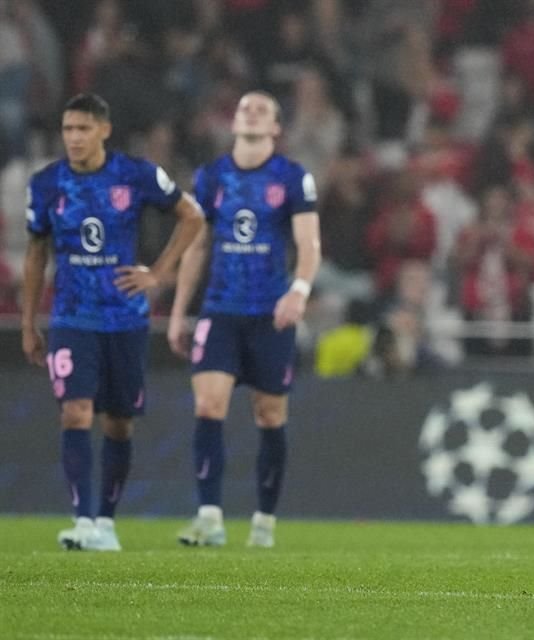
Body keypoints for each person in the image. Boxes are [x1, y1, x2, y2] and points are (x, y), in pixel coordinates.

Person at [21, 92, 203, 550]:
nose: (74, 138)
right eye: (68, 130)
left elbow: (192, 216)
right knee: (76, 411)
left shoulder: (135, 174)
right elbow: (36, 251)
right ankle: (82, 521)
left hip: (125, 317)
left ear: (104, 129)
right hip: (72, 316)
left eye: (83, 129)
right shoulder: (47, 183)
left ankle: (105, 522)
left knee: (119, 423)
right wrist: (29, 321)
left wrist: (158, 274)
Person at [168, 91, 320, 548]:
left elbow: (309, 244)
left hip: (271, 313)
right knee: (208, 405)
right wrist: (178, 312)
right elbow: (196, 245)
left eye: (262, 109)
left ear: (276, 128)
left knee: (269, 413)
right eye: (243, 108)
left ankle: (264, 521)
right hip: (220, 309)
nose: (250, 112)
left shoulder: (292, 177)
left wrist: (298, 290)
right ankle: (210, 516)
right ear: (233, 122)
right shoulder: (212, 176)